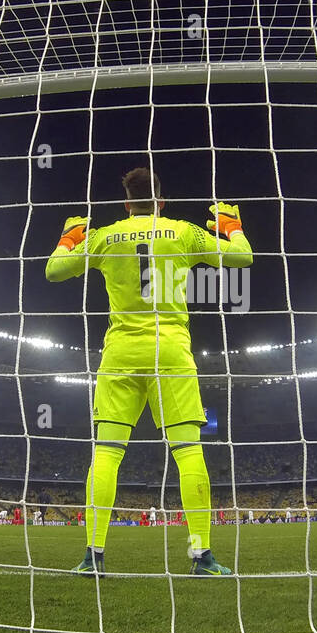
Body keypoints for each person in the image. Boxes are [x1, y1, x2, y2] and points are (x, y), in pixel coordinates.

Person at [46, 166, 252, 576]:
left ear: (126, 203)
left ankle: (93, 556)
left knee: (106, 453)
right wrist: (232, 227)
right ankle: (202, 557)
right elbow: (244, 258)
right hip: (171, 352)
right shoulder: (183, 231)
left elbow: (53, 271)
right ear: (161, 201)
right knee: (189, 452)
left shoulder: (104, 237)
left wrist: (69, 239)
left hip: (120, 353)